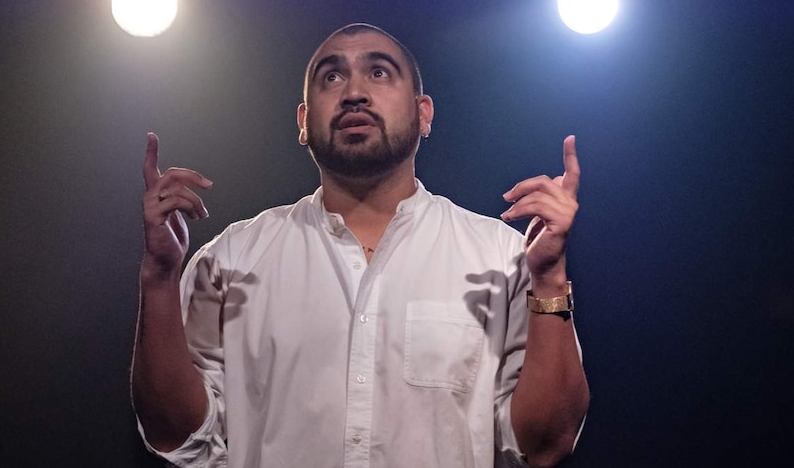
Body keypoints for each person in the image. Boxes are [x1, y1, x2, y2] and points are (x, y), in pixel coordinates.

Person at [131, 23, 589, 468]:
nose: (353, 92)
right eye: (331, 76)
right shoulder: (232, 260)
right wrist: (159, 278)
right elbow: (176, 437)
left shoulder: (501, 257)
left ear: (424, 113)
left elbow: (545, 446)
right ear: (304, 121)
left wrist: (548, 278)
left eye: (379, 72)